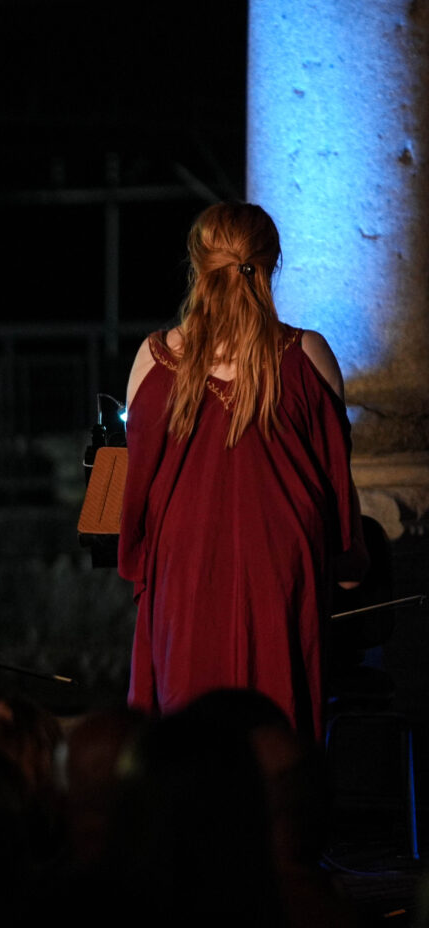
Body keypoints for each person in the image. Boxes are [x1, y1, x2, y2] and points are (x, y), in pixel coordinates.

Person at [119, 202, 366, 738]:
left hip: (186, 572)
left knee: (188, 743)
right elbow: (336, 492)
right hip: (281, 575)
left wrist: (140, 559)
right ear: (271, 263)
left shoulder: (155, 358)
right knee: (274, 733)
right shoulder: (309, 355)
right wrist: (348, 561)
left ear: (196, 265)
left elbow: (132, 494)